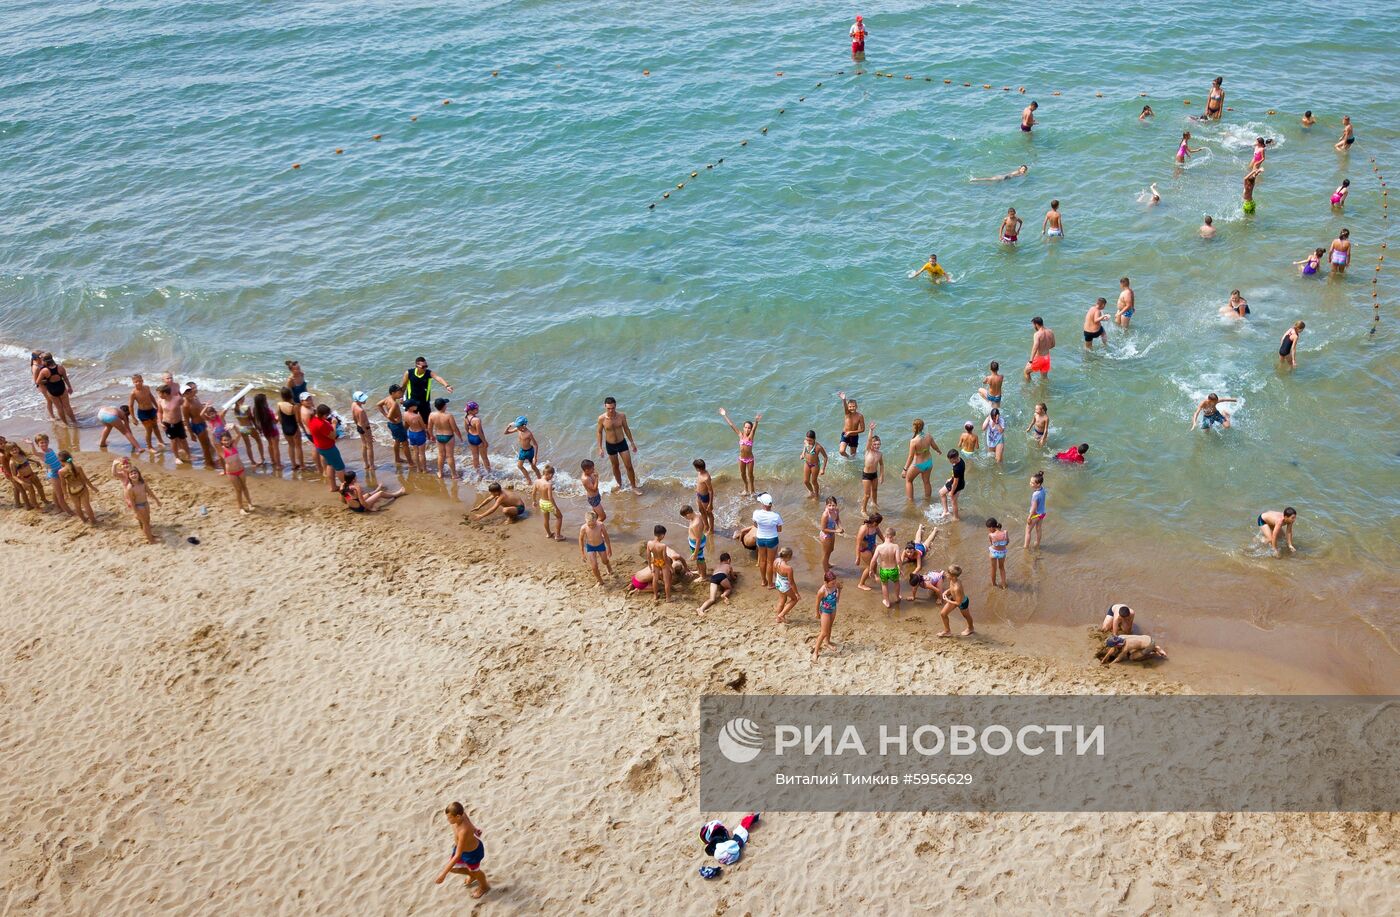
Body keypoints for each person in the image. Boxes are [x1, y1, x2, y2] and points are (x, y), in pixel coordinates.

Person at [435, 801, 489, 899]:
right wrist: (475, 829)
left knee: (476, 871)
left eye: (449, 817)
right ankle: (472, 875)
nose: (448, 820)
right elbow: (470, 822)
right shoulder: (462, 815)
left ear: (458, 816)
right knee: (453, 868)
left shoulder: (463, 831)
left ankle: (484, 886)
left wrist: (443, 874)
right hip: (460, 849)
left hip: (472, 854)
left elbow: (458, 855)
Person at [596, 396, 641, 494]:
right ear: (605, 406)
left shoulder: (621, 416)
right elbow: (599, 432)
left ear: (615, 406)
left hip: (622, 444)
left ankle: (634, 487)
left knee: (629, 466)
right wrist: (600, 448)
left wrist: (632, 443)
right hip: (610, 445)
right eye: (608, 408)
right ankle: (619, 485)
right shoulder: (601, 418)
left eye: (613, 408)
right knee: (615, 466)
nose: (611, 410)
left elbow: (626, 429)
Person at [719, 407, 761, 495]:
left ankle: (752, 490)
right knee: (742, 474)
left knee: (750, 475)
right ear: (743, 428)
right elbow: (731, 425)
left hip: (750, 460)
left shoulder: (750, 437)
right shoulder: (740, 435)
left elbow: (754, 429)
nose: (747, 429)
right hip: (741, 459)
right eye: (745, 427)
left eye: (749, 428)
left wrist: (756, 421)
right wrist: (724, 415)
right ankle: (746, 489)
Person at [307, 404, 347, 493]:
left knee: (330, 465)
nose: (328, 416)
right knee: (339, 467)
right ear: (323, 415)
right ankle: (346, 487)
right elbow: (333, 436)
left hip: (320, 447)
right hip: (328, 448)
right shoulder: (321, 424)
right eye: (327, 415)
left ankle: (333, 486)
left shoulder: (313, 419)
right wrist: (333, 424)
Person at [401, 357, 452, 425]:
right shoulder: (409, 373)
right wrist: (401, 398)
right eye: (423, 366)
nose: (425, 368)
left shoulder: (428, 373)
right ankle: (405, 434)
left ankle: (428, 435)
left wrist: (447, 386)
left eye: (426, 366)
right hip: (411, 401)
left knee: (427, 422)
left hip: (424, 402)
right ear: (417, 366)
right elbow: (404, 386)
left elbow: (438, 378)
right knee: (409, 422)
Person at [119, 463, 160, 543]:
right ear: (129, 476)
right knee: (145, 523)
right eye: (131, 474)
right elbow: (132, 501)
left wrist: (156, 500)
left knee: (147, 520)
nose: (133, 475)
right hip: (139, 506)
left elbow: (149, 491)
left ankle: (149, 535)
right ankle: (150, 540)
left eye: (135, 473)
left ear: (139, 474)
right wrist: (136, 512)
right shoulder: (130, 487)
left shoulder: (142, 483)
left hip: (145, 503)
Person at [29, 434, 69, 515]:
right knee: (60, 494)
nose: (44, 444)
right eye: (41, 443)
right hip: (54, 474)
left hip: (60, 471)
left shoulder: (50, 449)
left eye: (45, 442)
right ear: (38, 444)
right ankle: (68, 511)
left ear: (48, 442)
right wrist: (31, 444)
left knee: (56, 491)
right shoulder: (42, 453)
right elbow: (34, 453)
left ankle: (57, 506)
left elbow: (56, 459)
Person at [33, 353, 78, 425]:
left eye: (42, 360)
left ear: (45, 361)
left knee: (59, 408)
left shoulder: (44, 371)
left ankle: (66, 424)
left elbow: (37, 382)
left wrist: (47, 380)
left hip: (51, 390)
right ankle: (75, 422)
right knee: (67, 406)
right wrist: (69, 387)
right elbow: (65, 378)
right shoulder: (60, 367)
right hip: (61, 388)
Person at [216, 431, 254, 514]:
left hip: (241, 470)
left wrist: (234, 427)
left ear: (231, 439)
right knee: (238, 489)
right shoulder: (221, 450)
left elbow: (239, 434)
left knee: (244, 486)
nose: (227, 442)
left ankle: (250, 503)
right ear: (221, 441)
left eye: (228, 440)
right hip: (231, 473)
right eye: (224, 440)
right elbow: (215, 443)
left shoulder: (234, 446)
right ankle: (241, 508)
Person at [752, 493, 783, 589]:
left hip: (760, 538)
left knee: (762, 560)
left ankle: (763, 581)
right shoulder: (776, 516)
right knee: (770, 562)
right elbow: (779, 530)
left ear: (762, 504)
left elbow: (755, 525)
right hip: (772, 539)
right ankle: (770, 584)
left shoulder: (756, 513)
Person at [902, 419, 938, 503]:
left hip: (918, 464)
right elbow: (934, 446)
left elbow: (910, 456)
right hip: (928, 463)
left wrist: (905, 469)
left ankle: (910, 502)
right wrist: (938, 451)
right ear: (922, 426)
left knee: (908, 480)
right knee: (926, 482)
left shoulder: (913, 441)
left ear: (914, 427)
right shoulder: (928, 436)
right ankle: (928, 500)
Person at [57, 452, 97, 524]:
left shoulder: (61, 471)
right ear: (70, 458)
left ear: (60, 461)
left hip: (72, 491)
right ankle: (93, 520)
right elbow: (85, 479)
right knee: (87, 505)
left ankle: (84, 520)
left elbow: (63, 484)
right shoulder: (78, 468)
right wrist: (93, 488)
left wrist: (65, 493)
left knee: (77, 506)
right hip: (82, 488)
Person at [182, 383, 216, 467]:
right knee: (205, 446)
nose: (190, 393)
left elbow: (199, 408)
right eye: (187, 393)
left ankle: (210, 459)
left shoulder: (195, 398)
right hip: (198, 426)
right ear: (183, 395)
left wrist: (206, 406)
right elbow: (186, 420)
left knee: (208, 443)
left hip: (203, 423)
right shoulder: (186, 405)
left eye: (190, 391)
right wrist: (191, 434)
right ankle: (209, 463)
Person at [427, 398, 462, 479]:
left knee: (441, 455)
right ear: (444, 406)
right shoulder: (448, 416)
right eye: (445, 404)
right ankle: (453, 474)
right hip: (448, 436)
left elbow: (429, 427)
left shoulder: (432, 415)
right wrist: (460, 437)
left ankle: (440, 472)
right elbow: (455, 428)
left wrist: (431, 435)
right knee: (449, 456)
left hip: (439, 436)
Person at [576, 510, 613, 586]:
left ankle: (608, 566)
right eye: (589, 525)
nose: (591, 527)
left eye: (593, 525)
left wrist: (609, 548)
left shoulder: (600, 525)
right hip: (590, 547)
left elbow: (606, 536)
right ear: (586, 522)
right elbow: (581, 539)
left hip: (600, 545)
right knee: (594, 566)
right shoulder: (583, 528)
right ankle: (600, 581)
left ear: (596, 520)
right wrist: (582, 553)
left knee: (605, 561)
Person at [128, 374, 164, 451]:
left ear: (142, 380)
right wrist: (133, 418)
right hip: (143, 413)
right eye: (136, 382)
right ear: (133, 383)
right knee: (149, 430)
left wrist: (157, 407)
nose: (138, 383)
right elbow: (130, 406)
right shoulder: (133, 393)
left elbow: (151, 397)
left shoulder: (147, 388)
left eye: (140, 381)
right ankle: (149, 446)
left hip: (151, 410)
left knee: (155, 427)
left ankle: (160, 441)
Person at [811, 570, 842, 660]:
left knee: (830, 627)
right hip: (825, 611)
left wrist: (838, 595)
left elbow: (839, 589)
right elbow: (817, 603)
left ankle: (827, 642)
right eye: (832, 583)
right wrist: (817, 613)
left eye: (835, 582)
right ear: (826, 582)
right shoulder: (822, 591)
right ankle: (816, 652)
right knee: (824, 632)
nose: (834, 584)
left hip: (833, 609)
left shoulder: (835, 585)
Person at [340, 470, 404, 513]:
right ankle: (397, 494)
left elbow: (344, 499)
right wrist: (370, 509)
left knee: (367, 494)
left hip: (352, 507)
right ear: (353, 479)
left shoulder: (343, 485)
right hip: (360, 508)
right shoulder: (356, 487)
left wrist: (352, 502)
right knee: (380, 493)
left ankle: (377, 489)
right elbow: (362, 502)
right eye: (356, 477)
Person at [5, 442, 45, 509]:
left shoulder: (22, 455)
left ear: (18, 448)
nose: (15, 451)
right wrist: (22, 482)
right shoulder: (12, 462)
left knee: (40, 487)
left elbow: (27, 459)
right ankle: (36, 506)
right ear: (9, 452)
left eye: (15, 449)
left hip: (32, 474)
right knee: (32, 492)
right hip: (25, 479)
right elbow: (14, 476)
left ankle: (44, 499)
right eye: (12, 450)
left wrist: (35, 461)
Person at [869, 527, 902, 608]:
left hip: (883, 570)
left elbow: (873, 560)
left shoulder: (879, 547)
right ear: (893, 536)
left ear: (885, 535)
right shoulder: (895, 546)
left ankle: (887, 602)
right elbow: (898, 560)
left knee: (884, 585)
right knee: (896, 582)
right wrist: (900, 568)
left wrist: (871, 570)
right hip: (893, 569)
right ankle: (897, 597)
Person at [378, 385, 409, 468]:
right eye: (399, 393)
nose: (401, 394)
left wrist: (385, 414)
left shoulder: (387, 399)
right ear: (393, 393)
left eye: (401, 392)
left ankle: (397, 458)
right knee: (405, 443)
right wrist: (394, 420)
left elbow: (378, 405)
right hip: (396, 425)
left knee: (397, 441)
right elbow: (389, 416)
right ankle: (411, 462)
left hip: (392, 425)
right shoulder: (394, 404)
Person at [937, 565, 973, 637]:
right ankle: (947, 631)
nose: (946, 574)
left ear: (953, 576)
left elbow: (958, 602)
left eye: (948, 573)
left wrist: (947, 600)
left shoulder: (957, 587)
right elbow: (951, 589)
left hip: (962, 603)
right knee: (943, 614)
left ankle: (971, 628)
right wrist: (947, 592)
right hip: (954, 599)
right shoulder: (952, 580)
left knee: (966, 616)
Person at [277, 387, 305, 471]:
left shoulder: (279, 404)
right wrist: (303, 428)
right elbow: (298, 420)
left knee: (291, 446)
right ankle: (302, 465)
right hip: (294, 428)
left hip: (285, 428)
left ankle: (293, 464)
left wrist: (284, 426)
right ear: (291, 395)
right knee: (298, 447)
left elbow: (280, 418)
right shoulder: (294, 406)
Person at [233, 396, 266, 466]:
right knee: (259, 441)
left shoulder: (234, 408)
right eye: (243, 398)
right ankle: (262, 458)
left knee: (248, 445)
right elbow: (251, 418)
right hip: (249, 427)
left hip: (242, 428)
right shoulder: (246, 407)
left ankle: (252, 461)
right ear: (242, 399)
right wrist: (258, 427)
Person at [853, 512, 881, 591]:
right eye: (878, 523)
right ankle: (861, 584)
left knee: (874, 563)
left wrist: (886, 542)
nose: (878, 525)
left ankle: (873, 575)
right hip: (864, 549)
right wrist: (857, 557)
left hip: (872, 546)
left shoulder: (875, 526)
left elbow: (880, 534)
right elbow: (858, 543)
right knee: (870, 566)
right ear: (874, 522)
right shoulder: (864, 528)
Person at [646, 525, 673, 603]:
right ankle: (668, 598)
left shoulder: (649, 543)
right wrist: (670, 567)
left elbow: (648, 556)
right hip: (663, 562)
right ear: (662, 535)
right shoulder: (663, 546)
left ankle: (655, 595)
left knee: (655, 579)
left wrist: (650, 567)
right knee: (666, 580)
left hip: (655, 562)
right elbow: (665, 558)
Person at [772, 547, 800, 622]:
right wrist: (796, 593)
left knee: (782, 600)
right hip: (784, 586)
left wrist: (776, 581)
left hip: (778, 583)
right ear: (788, 557)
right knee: (794, 599)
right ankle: (781, 615)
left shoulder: (776, 561)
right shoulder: (788, 568)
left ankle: (778, 618)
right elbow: (791, 582)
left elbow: (774, 572)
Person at [462, 401, 490, 474]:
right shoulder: (477, 420)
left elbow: (466, 428)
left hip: (471, 437)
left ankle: (477, 473)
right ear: (471, 410)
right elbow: (480, 432)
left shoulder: (466, 418)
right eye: (476, 409)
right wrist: (485, 441)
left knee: (475, 456)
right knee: (484, 457)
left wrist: (470, 434)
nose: (478, 410)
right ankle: (489, 473)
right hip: (478, 438)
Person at [859, 429, 884, 515]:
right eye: (875, 444)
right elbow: (869, 439)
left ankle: (874, 503)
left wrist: (881, 475)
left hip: (874, 475)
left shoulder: (880, 454)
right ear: (871, 444)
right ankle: (863, 509)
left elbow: (881, 465)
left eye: (878, 444)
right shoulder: (868, 451)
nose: (877, 446)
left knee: (875, 490)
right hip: (866, 475)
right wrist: (871, 430)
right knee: (867, 495)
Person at [800, 430, 829, 500]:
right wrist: (803, 454)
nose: (808, 442)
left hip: (815, 466)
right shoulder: (806, 442)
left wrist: (823, 469)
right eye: (807, 440)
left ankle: (816, 495)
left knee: (813, 481)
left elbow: (825, 457)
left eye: (810, 440)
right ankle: (811, 492)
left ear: (814, 439)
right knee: (806, 481)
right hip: (807, 463)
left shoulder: (818, 447)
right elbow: (804, 448)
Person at [350, 391, 375, 473]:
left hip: (358, 426)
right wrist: (368, 434)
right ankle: (372, 465)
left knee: (364, 444)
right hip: (365, 428)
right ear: (358, 400)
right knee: (370, 446)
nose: (365, 400)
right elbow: (363, 424)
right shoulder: (361, 411)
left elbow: (354, 417)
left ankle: (365, 464)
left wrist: (357, 425)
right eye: (362, 399)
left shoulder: (353, 405)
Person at [835, 392, 866, 457]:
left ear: (856, 406)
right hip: (845, 435)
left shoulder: (860, 416)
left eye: (853, 406)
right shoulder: (847, 414)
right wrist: (844, 399)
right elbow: (845, 407)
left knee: (853, 455)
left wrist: (851, 432)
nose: (852, 408)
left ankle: (851, 462)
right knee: (841, 451)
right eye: (850, 407)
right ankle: (848, 458)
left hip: (854, 436)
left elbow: (863, 429)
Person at [1100, 634, 1167, 664]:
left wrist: (1111, 664)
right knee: (1133, 649)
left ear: (1118, 645)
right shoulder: (1121, 636)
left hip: (1149, 645)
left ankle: (1153, 653)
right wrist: (1104, 659)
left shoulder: (1126, 647)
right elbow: (1113, 649)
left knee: (1132, 657)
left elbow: (1119, 658)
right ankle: (1155, 648)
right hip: (1147, 638)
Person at [938, 449, 966, 520]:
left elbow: (955, 483)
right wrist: (951, 478)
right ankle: (946, 511)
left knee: (952, 500)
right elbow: (958, 475)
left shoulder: (956, 468)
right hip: (961, 482)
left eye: (950, 460)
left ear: (955, 458)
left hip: (956, 485)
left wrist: (952, 492)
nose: (949, 461)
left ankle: (955, 517)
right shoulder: (961, 460)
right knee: (944, 494)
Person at [681, 504, 708, 578]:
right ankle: (699, 571)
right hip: (696, 541)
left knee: (700, 559)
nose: (685, 518)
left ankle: (703, 577)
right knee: (699, 559)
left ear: (688, 514)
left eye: (685, 516)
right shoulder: (697, 515)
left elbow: (698, 540)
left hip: (697, 544)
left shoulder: (696, 524)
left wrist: (695, 554)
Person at [818, 495, 843, 573]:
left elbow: (837, 519)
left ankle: (827, 563)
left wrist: (840, 527)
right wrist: (836, 531)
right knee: (826, 553)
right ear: (826, 505)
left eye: (833, 505)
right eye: (829, 505)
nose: (832, 507)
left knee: (831, 549)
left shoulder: (836, 510)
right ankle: (826, 572)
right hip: (825, 535)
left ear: (836, 505)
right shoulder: (825, 515)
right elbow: (823, 529)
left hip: (832, 533)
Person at [577, 458, 606, 523]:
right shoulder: (585, 479)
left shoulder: (588, 473)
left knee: (595, 515)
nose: (594, 470)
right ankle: (593, 527)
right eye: (592, 469)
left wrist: (593, 475)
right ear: (586, 470)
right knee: (603, 517)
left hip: (596, 496)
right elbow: (594, 489)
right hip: (593, 499)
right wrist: (596, 478)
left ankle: (594, 527)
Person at [403, 404, 430, 473]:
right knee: (422, 453)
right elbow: (423, 427)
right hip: (419, 434)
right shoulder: (417, 416)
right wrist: (427, 433)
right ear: (410, 407)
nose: (416, 406)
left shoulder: (405, 414)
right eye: (414, 405)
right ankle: (424, 469)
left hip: (411, 433)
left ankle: (418, 468)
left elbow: (406, 424)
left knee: (415, 452)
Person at [1025, 471, 1047, 548]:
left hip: (1036, 514)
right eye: (1030, 482)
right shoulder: (1043, 489)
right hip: (1042, 513)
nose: (1030, 483)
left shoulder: (1035, 494)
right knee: (1038, 528)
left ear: (1038, 484)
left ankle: (1026, 546)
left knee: (1028, 531)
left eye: (1032, 483)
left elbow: (1034, 508)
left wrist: (1029, 517)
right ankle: (1037, 543)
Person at [986, 518, 1009, 588]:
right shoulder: (1005, 532)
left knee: (993, 568)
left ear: (991, 527)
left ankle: (994, 584)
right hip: (1002, 553)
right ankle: (1004, 585)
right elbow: (1007, 542)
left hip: (993, 553)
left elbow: (991, 543)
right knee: (1001, 568)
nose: (989, 530)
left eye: (988, 528)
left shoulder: (990, 535)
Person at [692, 458, 713, 532]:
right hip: (699, 495)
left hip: (705, 497)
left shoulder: (706, 478)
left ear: (698, 468)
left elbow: (710, 491)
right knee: (701, 511)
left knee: (708, 513)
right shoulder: (699, 473)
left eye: (695, 468)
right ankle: (706, 525)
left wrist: (710, 504)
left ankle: (711, 529)